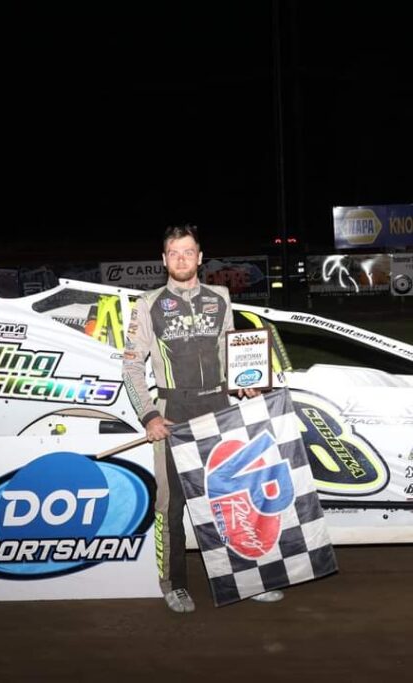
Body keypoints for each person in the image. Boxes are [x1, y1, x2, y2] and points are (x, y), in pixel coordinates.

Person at [122, 224, 284, 613]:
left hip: (218, 410)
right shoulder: (148, 305)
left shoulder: (221, 297)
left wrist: (244, 383)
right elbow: (130, 367)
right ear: (164, 259)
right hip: (173, 413)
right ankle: (173, 583)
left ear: (200, 256)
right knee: (172, 503)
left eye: (188, 252)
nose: (181, 259)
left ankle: (246, 580)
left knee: (231, 496)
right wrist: (148, 417)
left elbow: (232, 353)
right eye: (174, 253)